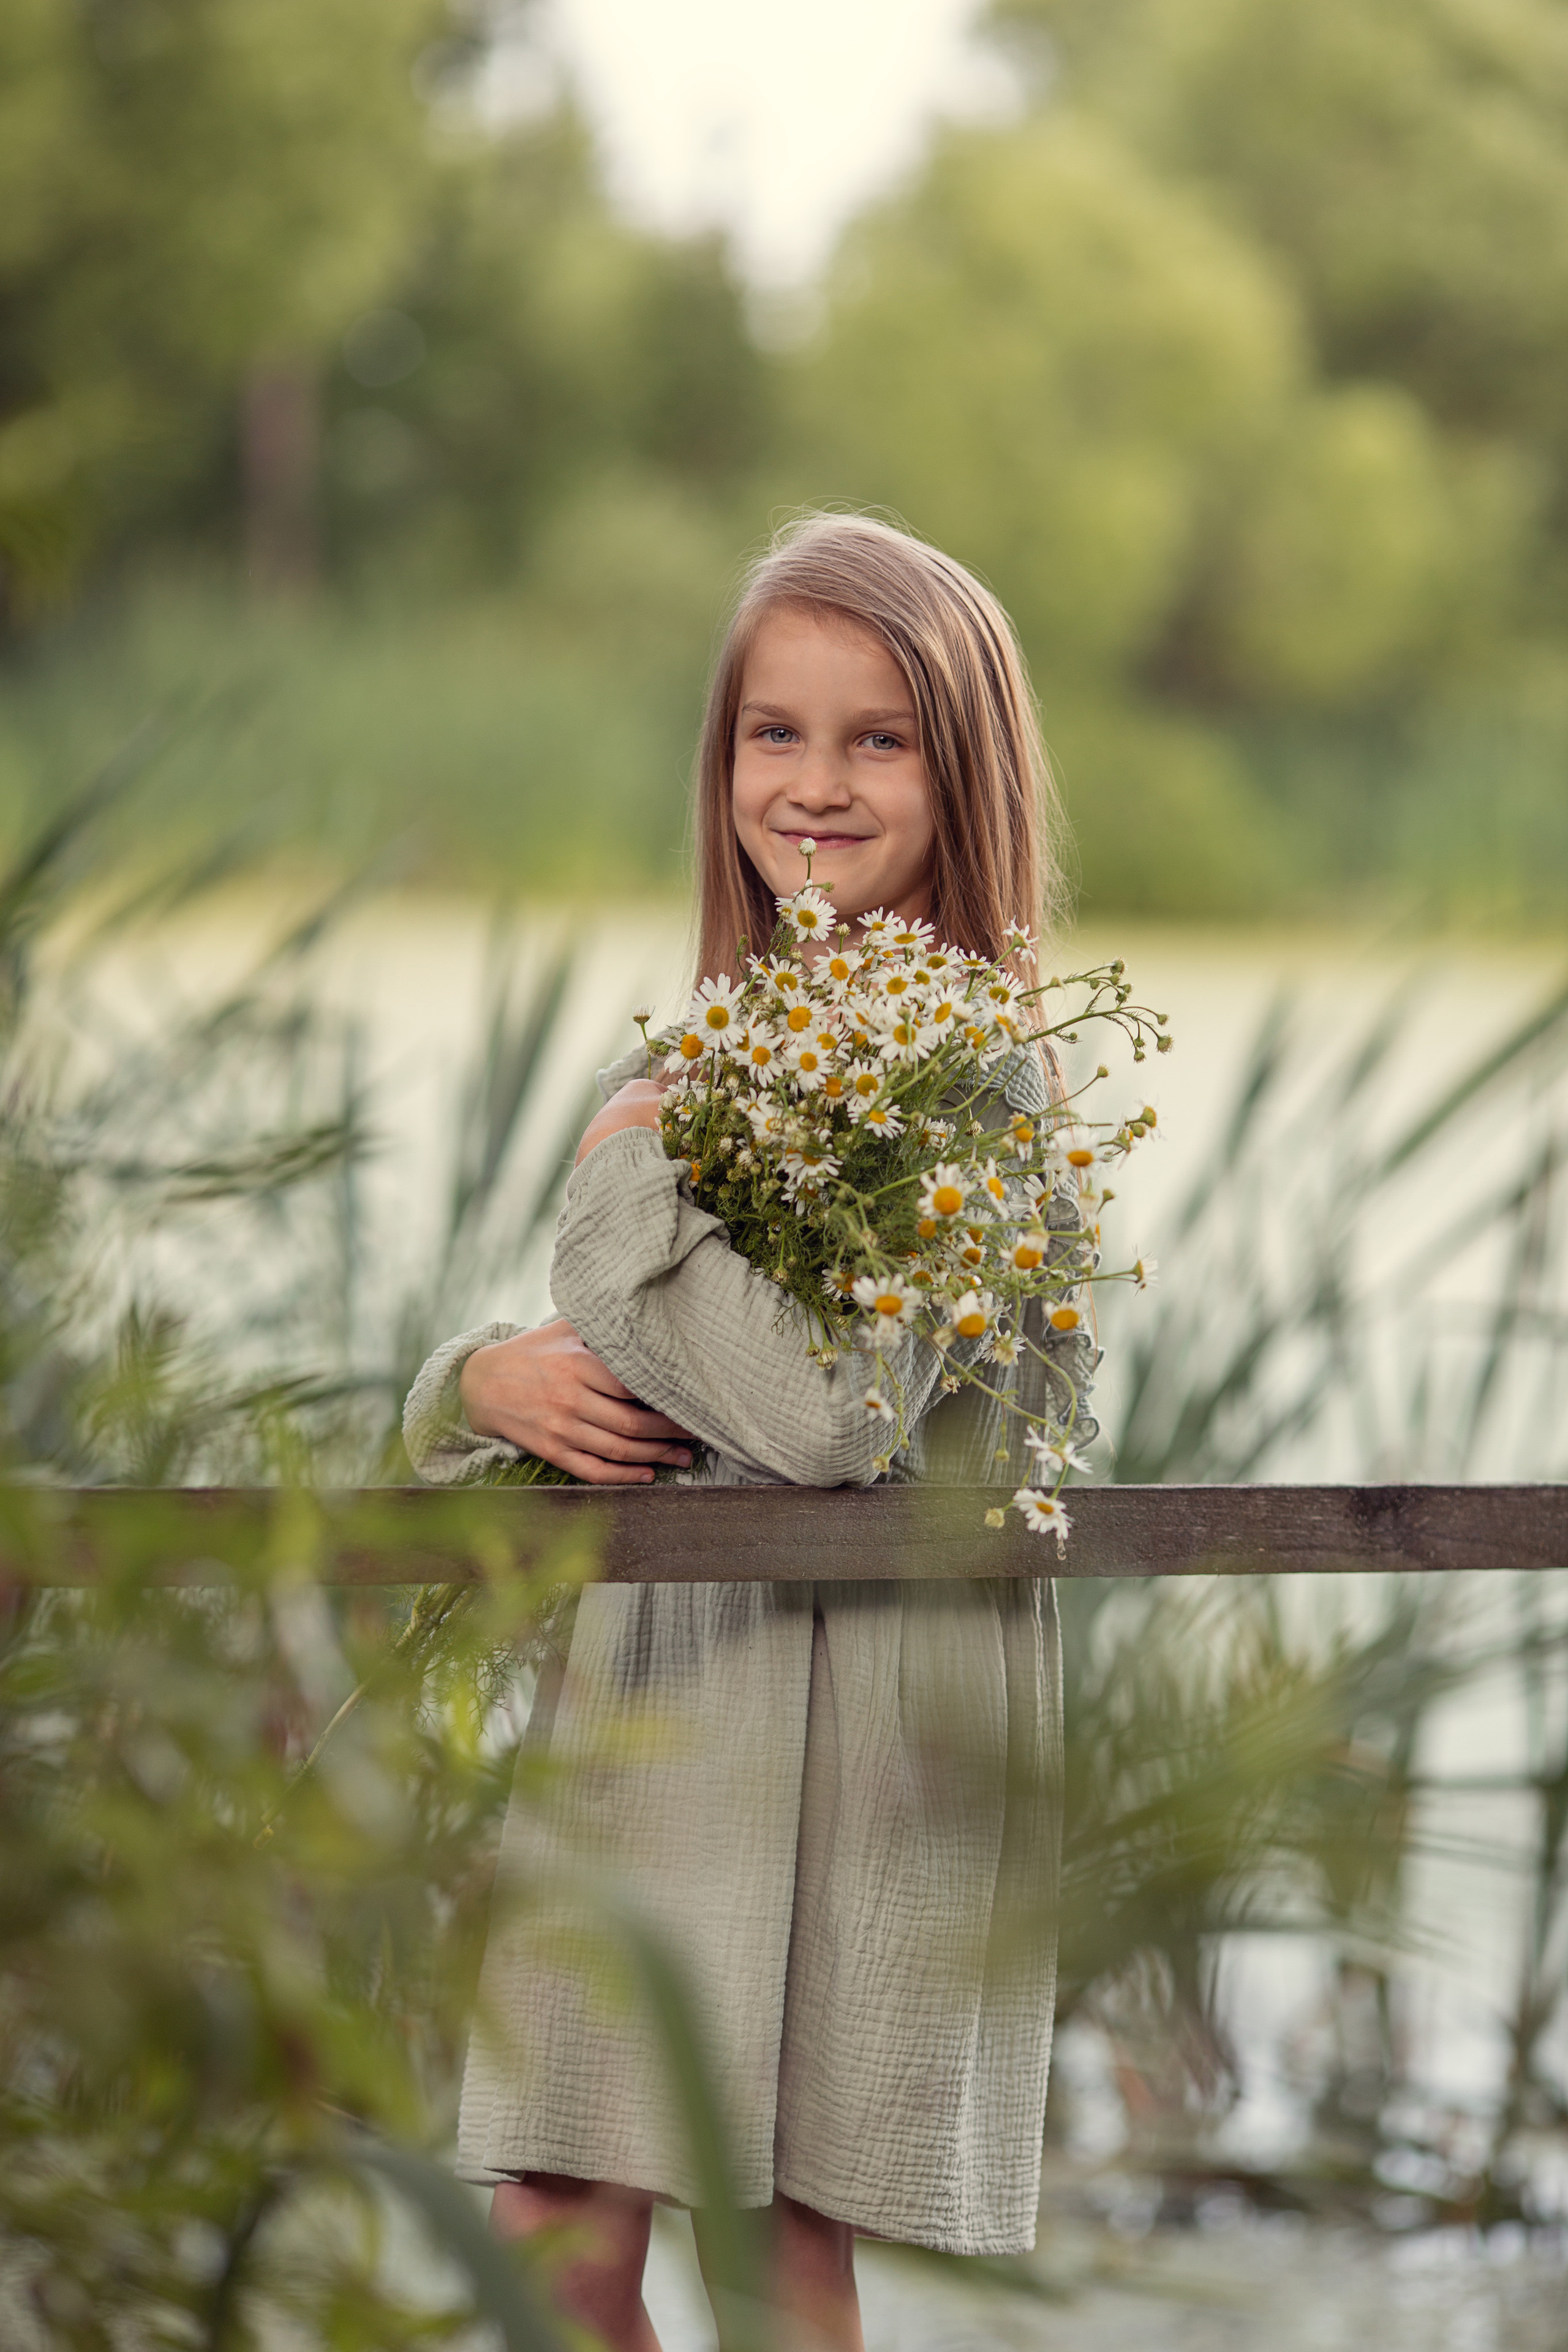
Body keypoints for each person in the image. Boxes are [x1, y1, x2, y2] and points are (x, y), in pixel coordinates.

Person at [402, 513, 1098, 2351]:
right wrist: (476, 1381)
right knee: (556, 2221)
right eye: (773, 734)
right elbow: (634, 1381)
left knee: (770, 2239)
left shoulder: (977, 1080)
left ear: (965, 772)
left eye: (878, 739)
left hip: (851, 1713)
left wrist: (621, 1182)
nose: (815, 783)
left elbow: (812, 1415)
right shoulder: (715, 1053)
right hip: (665, 1680)